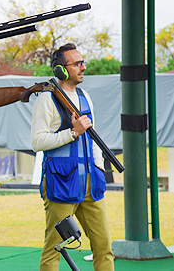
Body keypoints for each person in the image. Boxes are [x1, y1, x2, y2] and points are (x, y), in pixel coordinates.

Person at [30, 43, 114, 271]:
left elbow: (93, 138)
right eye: (77, 64)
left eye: (82, 62)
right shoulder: (46, 100)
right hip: (61, 183)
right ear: (61, 70)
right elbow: (37, 142)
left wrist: (98, 170)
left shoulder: (85, 96)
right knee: (54, 248)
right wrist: (71, 132)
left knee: (104, 246)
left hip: (90, 183)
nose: (83, 67)